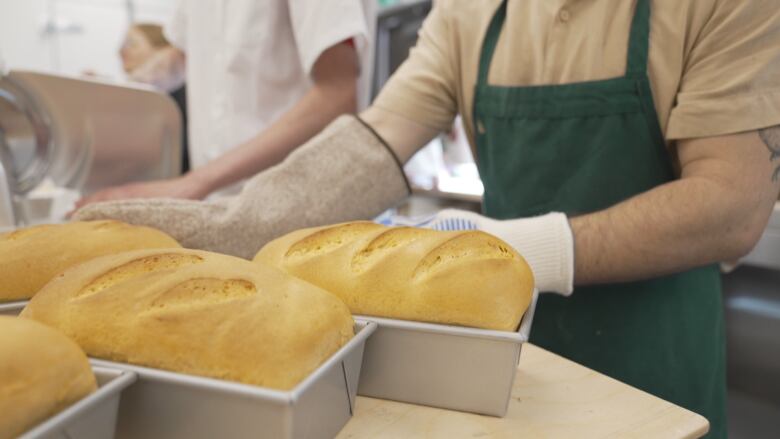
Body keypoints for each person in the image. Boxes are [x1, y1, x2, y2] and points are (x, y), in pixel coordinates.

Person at [75, 1, 780, 437]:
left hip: (653, 356)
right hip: (501, 358)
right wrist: (220, 224)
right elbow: (376, 139)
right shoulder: (470, 9)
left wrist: (512, 250)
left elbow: (731, 202)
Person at [76, 0, 373, 205]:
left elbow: (338, 91)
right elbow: (180, 57)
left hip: (291, 203)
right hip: (213, 202)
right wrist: (112, 88)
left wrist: (192, 183)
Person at [118, 23, 190, 172]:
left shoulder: (179, 97)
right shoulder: (136, 96)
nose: (120, 51)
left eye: (131, 43)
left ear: (162, 51)